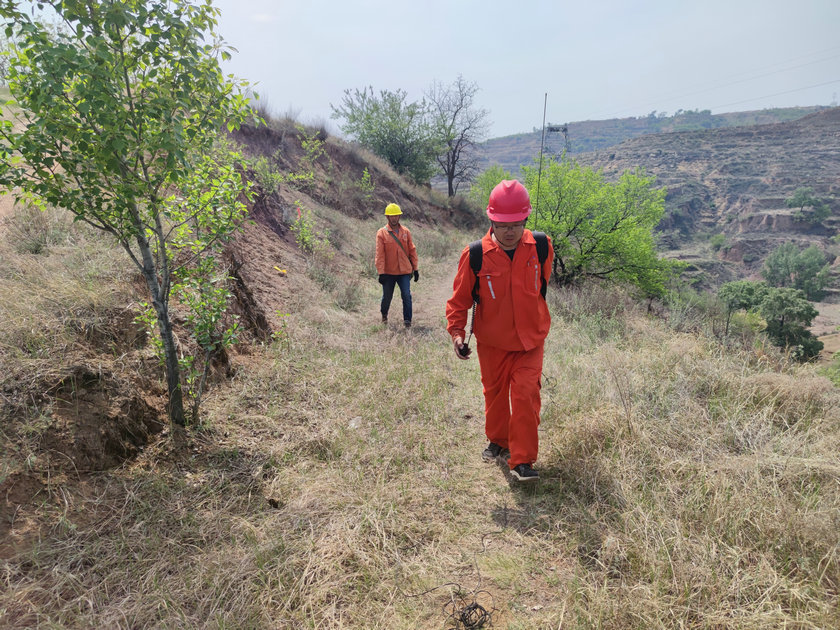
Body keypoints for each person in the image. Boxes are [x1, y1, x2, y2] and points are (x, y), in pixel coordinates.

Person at [445, 180, 553, 482]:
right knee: (494, 395)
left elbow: (541, 285)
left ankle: (522, 461)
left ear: (526, 219)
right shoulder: (476, 255)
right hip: (492, 342)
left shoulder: (541, 247)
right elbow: (459, 300)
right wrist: (456, 333)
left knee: (525, 394)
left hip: (531, 340)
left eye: (516, 224)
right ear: (491, 220)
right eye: (503, 224)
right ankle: (498, 440)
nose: (510, 230)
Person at [375, 202, 419, 328]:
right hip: (388, 272)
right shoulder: (381, 233)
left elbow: (412, 250)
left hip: (404, 271)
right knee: (387, 297)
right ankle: (384, 315)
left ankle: (407, 321)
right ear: (387, 217)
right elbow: (380, 255)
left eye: (396, 216)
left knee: (406, 295)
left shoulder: (406, 231)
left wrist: (415, 269)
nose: (394, 218)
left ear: (399, 217)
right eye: (391, 216)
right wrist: (381, 272)